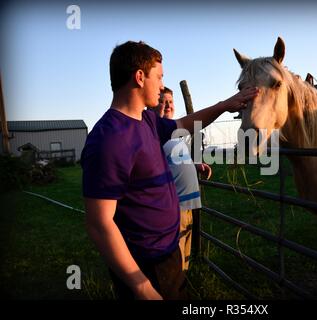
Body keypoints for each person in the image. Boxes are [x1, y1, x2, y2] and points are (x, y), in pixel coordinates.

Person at [81, 40, 258, 300]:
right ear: (140, 77)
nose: (163, 85)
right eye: (160, 77)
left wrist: (224, 105)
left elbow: (185, 124)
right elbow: (99, 223)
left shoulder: (146, 120)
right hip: (146, 264)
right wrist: (141, 286)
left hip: (167, 251)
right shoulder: (109, 139)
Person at [156, 87, 211, 272]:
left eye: (170, 101)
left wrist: (195, 166)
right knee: (176, 259)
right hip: (175, 208)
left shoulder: (176, 134)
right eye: (162, 101)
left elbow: (176, 160)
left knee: (185, 255)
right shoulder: (155, 133)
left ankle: (183, 285)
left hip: (188, 207)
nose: (167, 105)